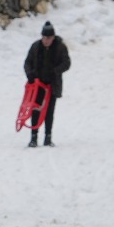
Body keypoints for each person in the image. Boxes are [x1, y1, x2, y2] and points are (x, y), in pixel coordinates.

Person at [22, 21, 70, 149]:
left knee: (49, 112)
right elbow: (27, 63)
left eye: (48, 38)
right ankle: (33, 137)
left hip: (52, 85)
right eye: (43, 37)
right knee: (35, 110)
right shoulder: (35, 47)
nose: (45, 40)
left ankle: (48, 137)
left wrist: (55, 71)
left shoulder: (60, 47)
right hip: (38, 85)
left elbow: (67, 63)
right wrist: (30, 74)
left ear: (53, 37)